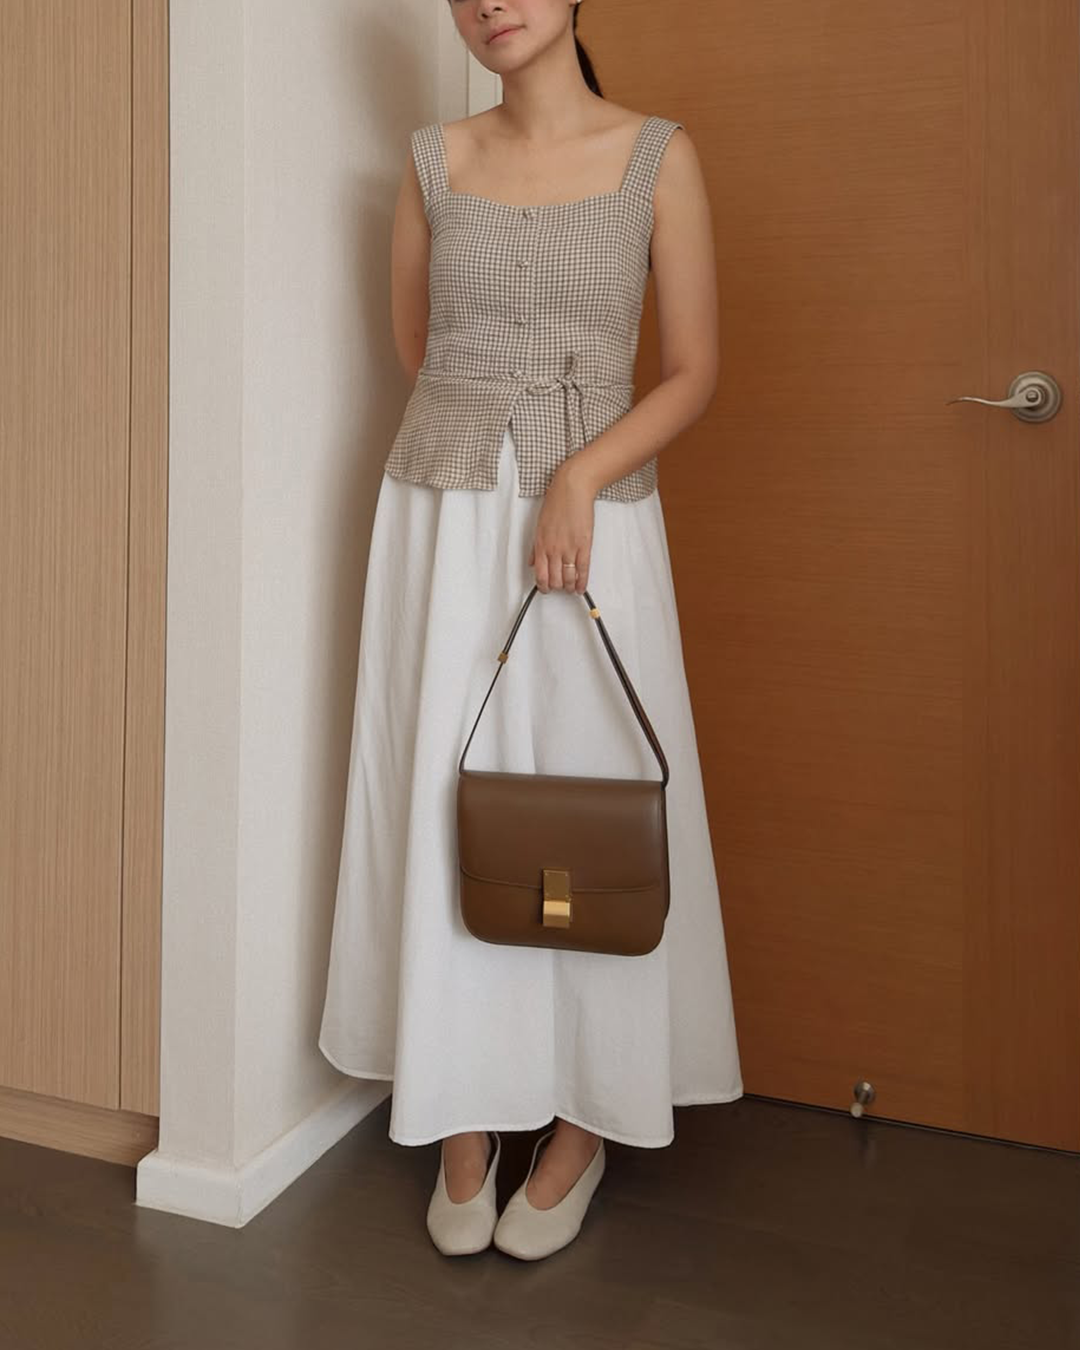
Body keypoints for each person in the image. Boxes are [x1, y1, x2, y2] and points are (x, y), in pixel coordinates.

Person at [318, 0, 742, 1261]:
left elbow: (694, 368)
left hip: (598, 523)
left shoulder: (659, 155)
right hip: (441, 519)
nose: (491, 3)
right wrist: (496, 468)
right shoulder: (432, 159)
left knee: (593, 804)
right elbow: (420, 347)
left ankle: (585, 1120)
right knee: (445, 794)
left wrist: (575, 473)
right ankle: (458, 1111)